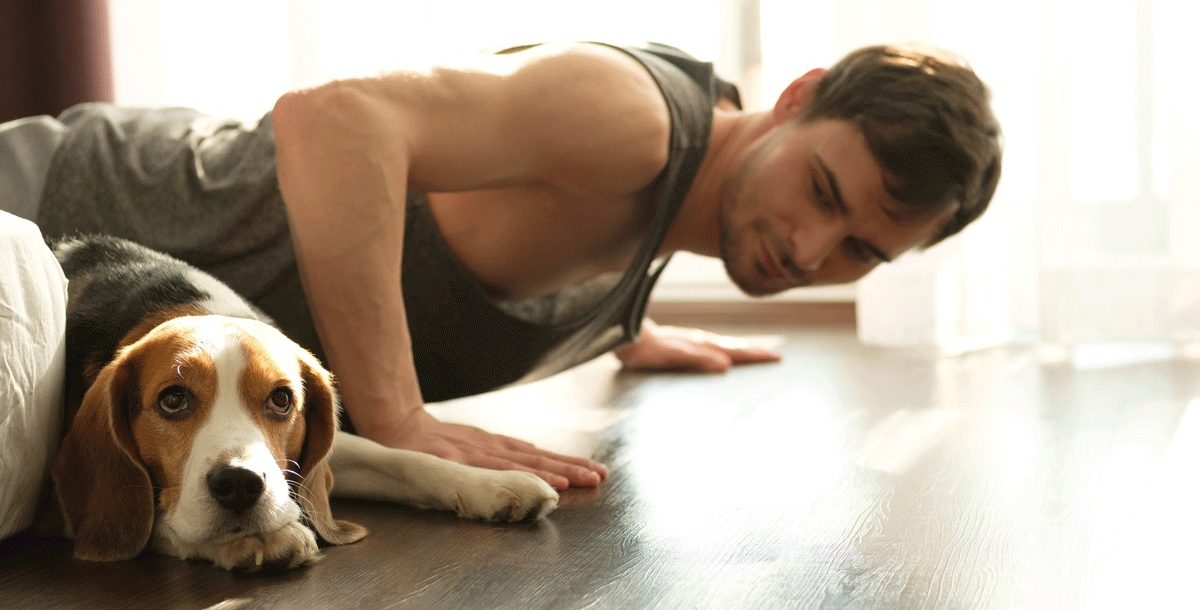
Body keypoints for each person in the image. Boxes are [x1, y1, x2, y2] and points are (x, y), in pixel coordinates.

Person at [6, 41, 1001, 490]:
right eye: (825, 192)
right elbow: (336, 119)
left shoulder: (661, 218)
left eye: (863, 249)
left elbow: (506, 231)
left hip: (104, 318)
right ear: (798, 96)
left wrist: (618, 321)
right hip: (51, 220)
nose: (813, 251)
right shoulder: (636, 120)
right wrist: (395, 418)